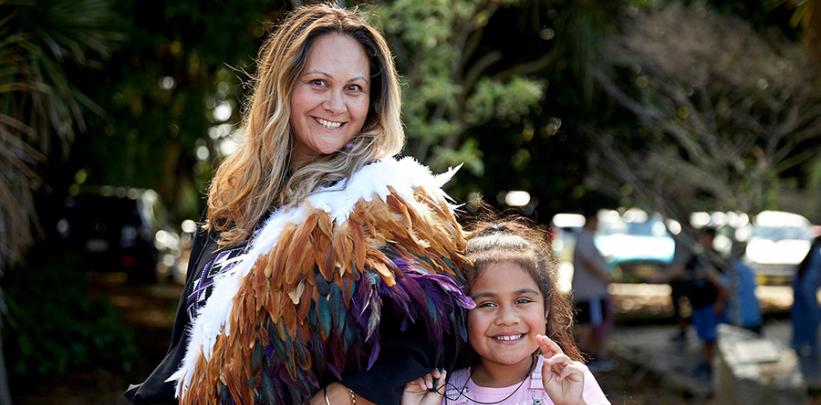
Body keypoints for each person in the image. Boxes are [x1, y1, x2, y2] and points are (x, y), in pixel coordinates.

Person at [125, 4, 475, 404]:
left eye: (354, 88)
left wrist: (339, 398)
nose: (336, 104)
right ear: (284, 87)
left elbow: (440, 334)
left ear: (373, 102)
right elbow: (188, 342)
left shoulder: (387, 206)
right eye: (318, 82)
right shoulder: (235, 197)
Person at [402, 220, 610, 404]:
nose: (507, 319)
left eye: (522, 300)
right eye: (487, 304)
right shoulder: (442, 393)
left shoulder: (571, 381)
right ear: (461, 314)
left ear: (546, 309)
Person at [653, 226, 727, 377]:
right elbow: (681, 269)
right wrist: (661, 276)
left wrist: (720, 301)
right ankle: (707, 364)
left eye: (705, 237)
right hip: (698, 304)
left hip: (711, 304)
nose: (702, 240)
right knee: (704, 337)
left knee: (712, 338)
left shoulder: (716, 258)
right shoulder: (697, 257)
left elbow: (723, 284)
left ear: (711, 238)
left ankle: (712, 366)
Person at [570, 209, 614, 371]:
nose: (598, 225)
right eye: (596, 221)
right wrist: (605, 277)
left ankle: (592, 357)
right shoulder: (584, 238)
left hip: (591, 292)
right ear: (590, 220)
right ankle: (585, 359)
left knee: (592, 325)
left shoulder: (586, 238)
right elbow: (589, 262)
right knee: (590, 326)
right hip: (590, 293)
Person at [722, 241, 762, 334]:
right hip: (754, 318)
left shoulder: (730, 271)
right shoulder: (748, 270)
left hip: (739, 320)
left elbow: (724, 289)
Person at [791, 235, 821, 357]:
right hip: (806, 288)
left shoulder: (815, 251)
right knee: (811, 317)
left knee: (801, 317)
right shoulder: (818, 253)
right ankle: (810, 344)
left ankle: (799, 343)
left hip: (801, 286)